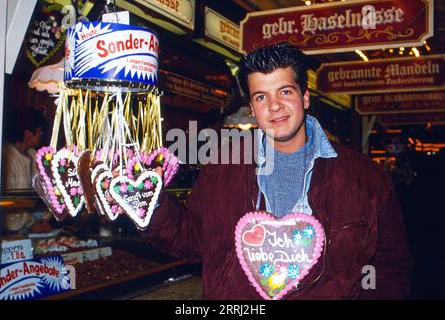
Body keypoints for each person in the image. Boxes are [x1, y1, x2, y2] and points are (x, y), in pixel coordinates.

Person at [141, 42, 412, 299]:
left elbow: (389, 268)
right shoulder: (224, 168)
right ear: (252, 108)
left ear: (305, 98)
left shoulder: (365, 178)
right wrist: (150, 205)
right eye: (261, 96)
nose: (274, 106)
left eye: (285, 91)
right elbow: (193, 239)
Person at [3, 107, 46, 190]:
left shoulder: (33, 154)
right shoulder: (7, 157)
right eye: (39, 131)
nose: (42, 134)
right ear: (27, 134)